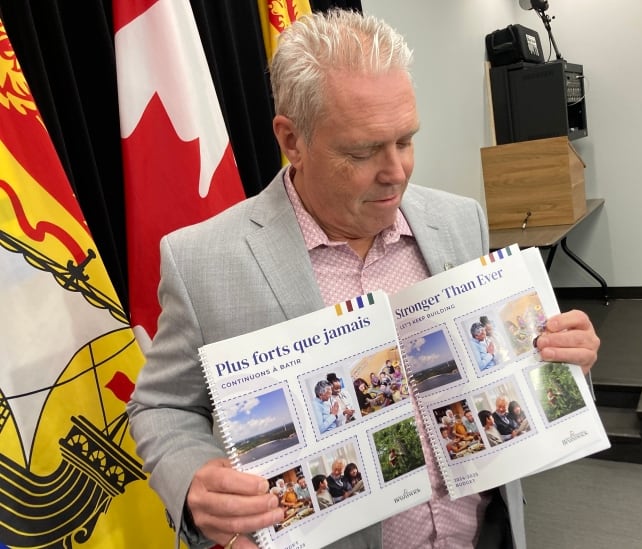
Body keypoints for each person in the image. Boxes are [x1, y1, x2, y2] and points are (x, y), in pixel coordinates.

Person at [125, 9, 600, 549]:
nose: (396, 171)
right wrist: (193, 480)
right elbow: (161, 405)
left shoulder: (458, 219)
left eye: (406, 140)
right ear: (291, 139)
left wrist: (563, 357)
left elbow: (498, 364)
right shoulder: (204, 260)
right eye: (362, 150)